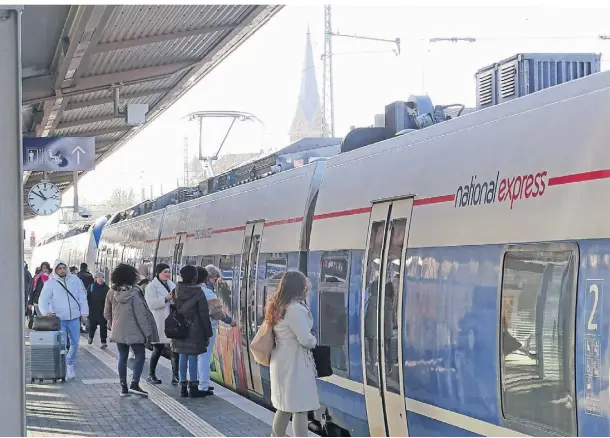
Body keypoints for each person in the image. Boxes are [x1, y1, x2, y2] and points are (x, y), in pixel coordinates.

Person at [266, 271, 319, 437]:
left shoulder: (278, 306)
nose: (307, 289)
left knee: (284, 407)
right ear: (299, 289)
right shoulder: (294, 309)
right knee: (300, 408)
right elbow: (306, 340)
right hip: (295, 364)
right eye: (305, 286)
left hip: (282, 360)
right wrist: (314, 340)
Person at [104, 263, 159, 397]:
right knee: (140, 356)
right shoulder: (134, 293)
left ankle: (124, 387)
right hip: (134, 331)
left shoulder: (111, 291)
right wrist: (148, 333)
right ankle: (135, 384)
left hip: (118, 331)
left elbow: (106, 313)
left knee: (122, 357)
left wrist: (112, 323)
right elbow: (141, 315)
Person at [38, 260, 89, 380]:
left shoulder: (76, 281)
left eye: (63, 268)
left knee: (75, 343)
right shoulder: (51, 283)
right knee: (61, 344)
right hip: (59, 319)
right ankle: (63, 369)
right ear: (55, 269)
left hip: (74, 318)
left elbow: (82, 297)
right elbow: (43, 299)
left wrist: (84, 313)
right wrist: (46, 312)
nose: (62, 270)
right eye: (59, 268)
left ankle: (69, 361)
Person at [172, 265, 212, 398]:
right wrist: (208, 333)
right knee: (193, 357)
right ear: (195, 277)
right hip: (195, 330)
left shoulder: (175, 290)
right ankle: (193, 387)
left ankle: (183, 387)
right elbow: (204, 315)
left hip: (179, 328)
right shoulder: (199, 292)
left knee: (182, 356)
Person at [197, 265, 236, 394]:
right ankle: (203, 385)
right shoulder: (208, 293)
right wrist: (230, 321)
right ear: (208, 278)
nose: (216, 282)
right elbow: (217, 312)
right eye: (215, 279)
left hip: (198, 327)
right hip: (209, 327)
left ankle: (201, 382)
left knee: (199, 357)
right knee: (205, 357)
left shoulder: (198, 290)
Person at [145, 263, 180, 385]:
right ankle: (151, 374)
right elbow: (150, 304)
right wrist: (165, 299)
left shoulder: (172, 285)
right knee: (158, 348)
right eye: (165, 272)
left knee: (174, 348)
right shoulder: (151, 287)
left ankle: (176, 376)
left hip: (171, 321)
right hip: (158, 321)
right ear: (158, 273)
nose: (168, 274)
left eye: (169, 272)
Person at [87, 272, 110, 348]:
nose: (101, 279)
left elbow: (109, 300)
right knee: (92, 326)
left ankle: (103, 342)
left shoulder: (106, 288)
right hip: (93, 311)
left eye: (102, 277)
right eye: (99, 277)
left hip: (102, 311)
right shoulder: (91, 287)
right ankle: (90, 337)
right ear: (95, 278)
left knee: (103, 327)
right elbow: (87, 298)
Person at [28, 262, 51, 329]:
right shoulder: (37, 277)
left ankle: (43, 331)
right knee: (41, 318)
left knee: (46, 318)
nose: (45, 270)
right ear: (41, 268)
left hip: (48, 302)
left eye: (47, 268)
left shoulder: (51, 278)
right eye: (44, 268)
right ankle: (41, 332)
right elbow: (32, 290)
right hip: (37, 301)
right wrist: (30, 302)